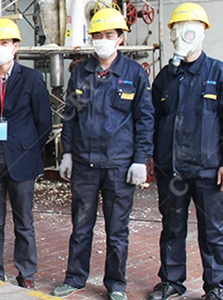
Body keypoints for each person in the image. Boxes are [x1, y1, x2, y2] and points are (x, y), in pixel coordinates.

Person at [52, 8, 154, 300]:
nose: (102, 40)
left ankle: (116, 284)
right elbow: (70, 115)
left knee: (117, 231)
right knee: (81, 226)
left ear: (120, 39)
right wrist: (67, 153)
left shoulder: (134, 74)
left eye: (109, 35)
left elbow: (145, 120)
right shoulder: (81, 72)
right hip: (84, 163)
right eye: (98, 35)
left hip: (119, 165)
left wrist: (140, 159)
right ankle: (74, 278)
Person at [147, 3, 223, 300]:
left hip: (208, 171)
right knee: (172, 228)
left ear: (203, 33)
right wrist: (151, 157)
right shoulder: (165, 77)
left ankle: (216, 286)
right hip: (171, 169)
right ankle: (172, 282)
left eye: (191, 28)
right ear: (171, 35)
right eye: (178, 29)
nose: (184, 34)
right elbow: (153, 118)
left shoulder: (221, 74)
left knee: (212, 231)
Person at [0, 18, 51, 289]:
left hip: (22, 159)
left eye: (4, 43)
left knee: (23, 221)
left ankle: (26, 272)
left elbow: (44, 122)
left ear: (15, 46)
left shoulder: (32, 78)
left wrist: (29, 149)